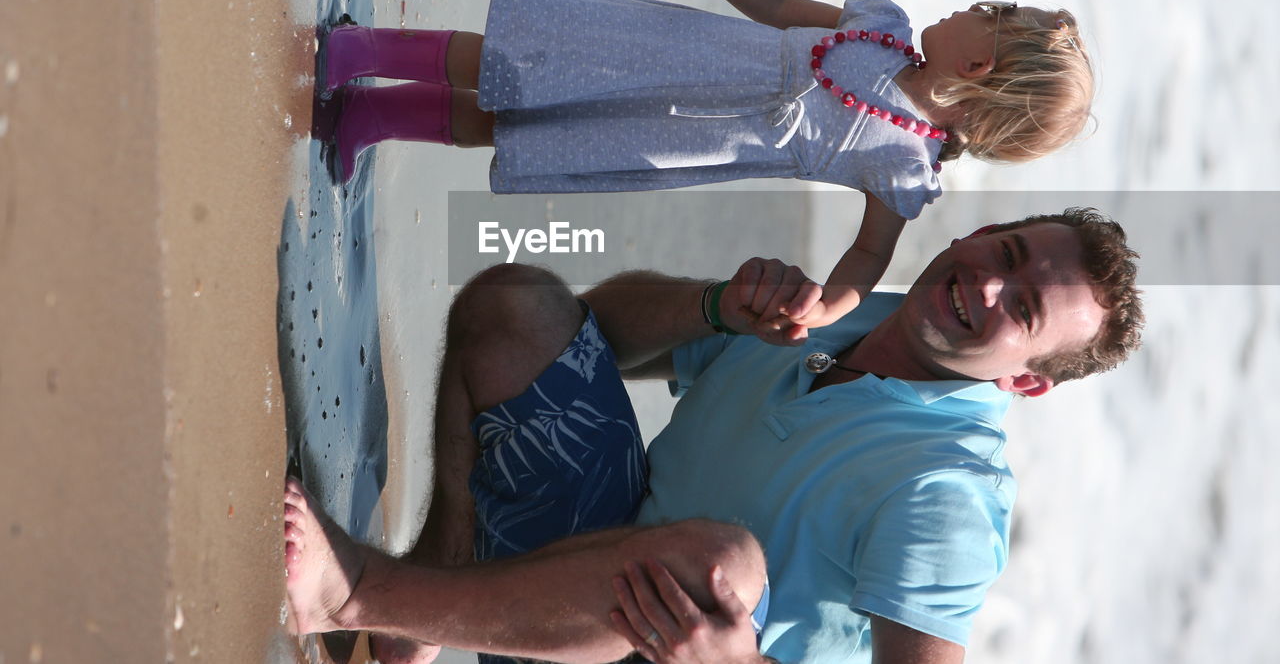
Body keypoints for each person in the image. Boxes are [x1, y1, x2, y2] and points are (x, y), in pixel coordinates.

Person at [283, 207, 1143, 664]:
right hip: (562, 591)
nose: (991, 284)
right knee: (517, 307)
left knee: (715, 565)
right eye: (1011, 251)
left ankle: (356, 595)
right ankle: (423, 614)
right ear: (978, 232)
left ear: (1024, 379)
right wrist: (715, 305)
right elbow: (596, 336)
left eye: (1023, 308)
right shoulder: (842, 316)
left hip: (665, 649)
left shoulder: (948, 493)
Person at [314, 0, 1095, 331]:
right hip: (665, 53)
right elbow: (782, 6)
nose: (969, 5)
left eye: (990, 12)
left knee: (520, 126)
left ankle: (373, 117)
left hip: (674, 140)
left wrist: (825, 307)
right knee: (517, 61)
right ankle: (362, 48)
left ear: (979, 66)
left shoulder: (905, 167)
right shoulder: (880, 29)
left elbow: (867, 257)